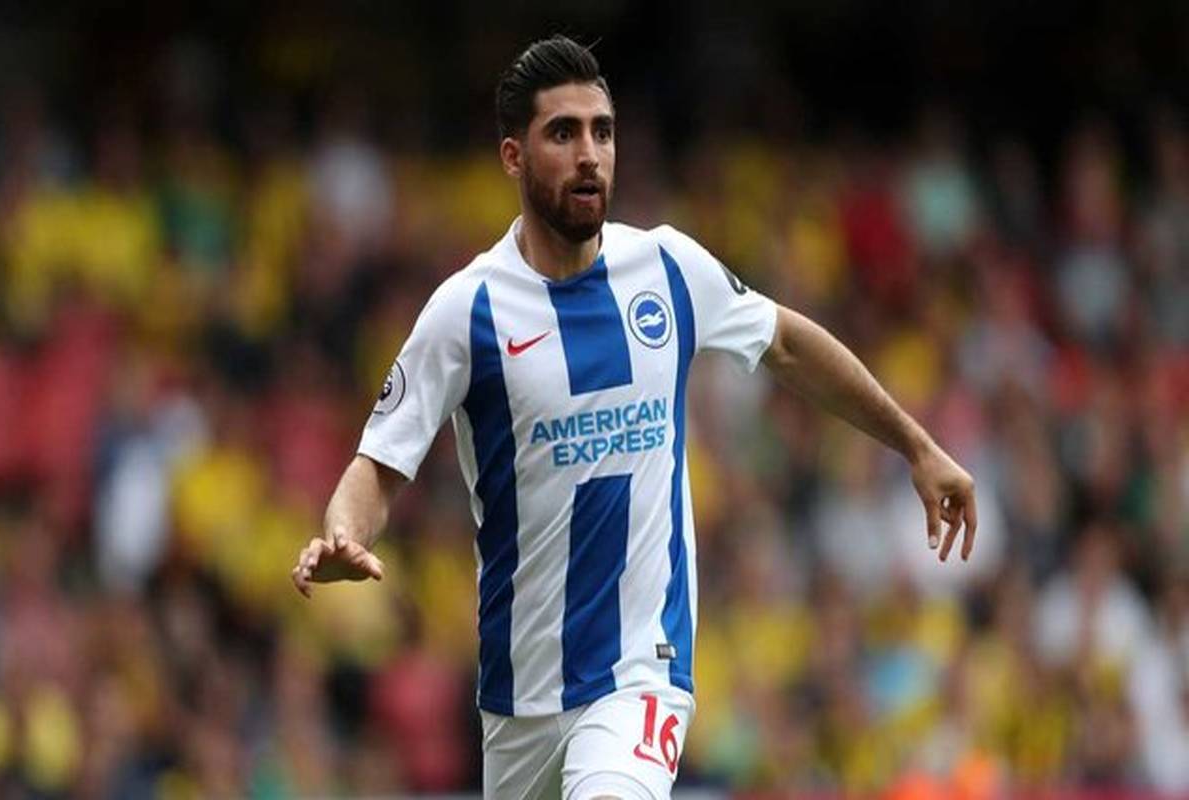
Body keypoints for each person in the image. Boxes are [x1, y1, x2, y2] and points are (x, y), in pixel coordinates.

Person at [290, 35, 977, 800]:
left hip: (640, 675)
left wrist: (916, 445)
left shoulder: (667, 267)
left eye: (603, 132)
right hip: (519, 697)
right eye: (563, 133)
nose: (590, 154)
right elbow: (379, 464)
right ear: (514, 157)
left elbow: (785, 343)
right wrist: (345, 532)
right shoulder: (467, 310)